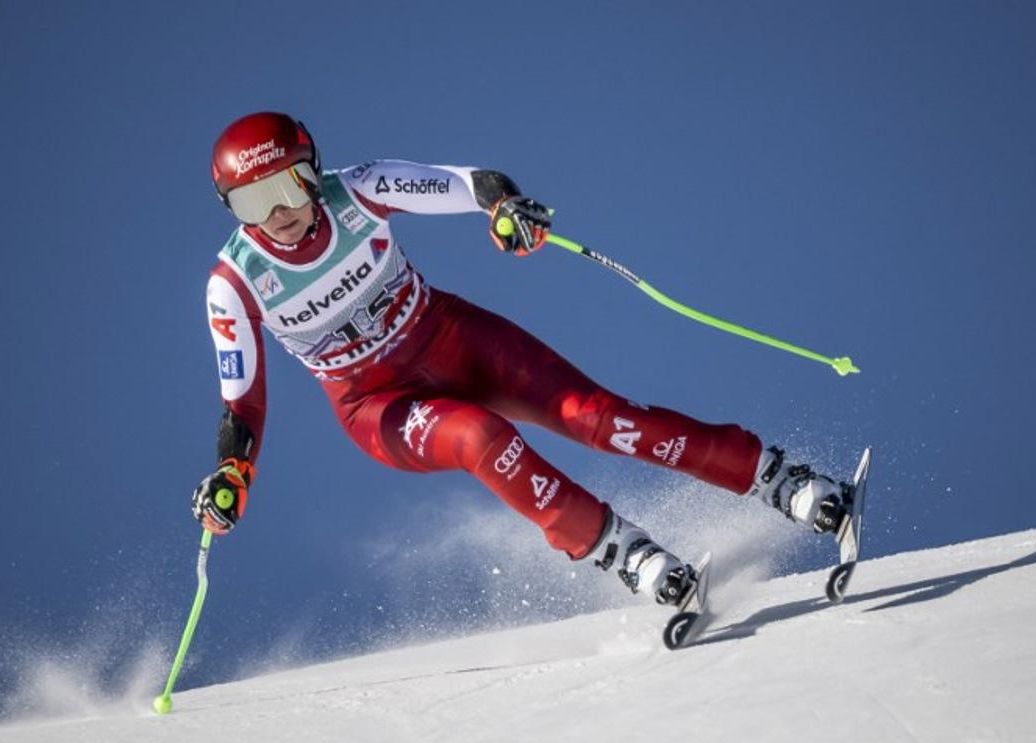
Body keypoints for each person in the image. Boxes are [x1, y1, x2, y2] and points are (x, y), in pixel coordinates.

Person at [192, 111, 854, 606]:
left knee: (600, 419)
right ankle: (628, 557)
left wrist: (506, 209)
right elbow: (243, 401)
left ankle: (784, 482)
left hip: (454, 339)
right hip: (382, 409)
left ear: (313, 173)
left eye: (286, 186)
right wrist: (232, 473)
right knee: (483, 438)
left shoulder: (359, 190)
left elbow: (472, 183)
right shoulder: (236, 281)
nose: (276, 212)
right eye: (252, 201)